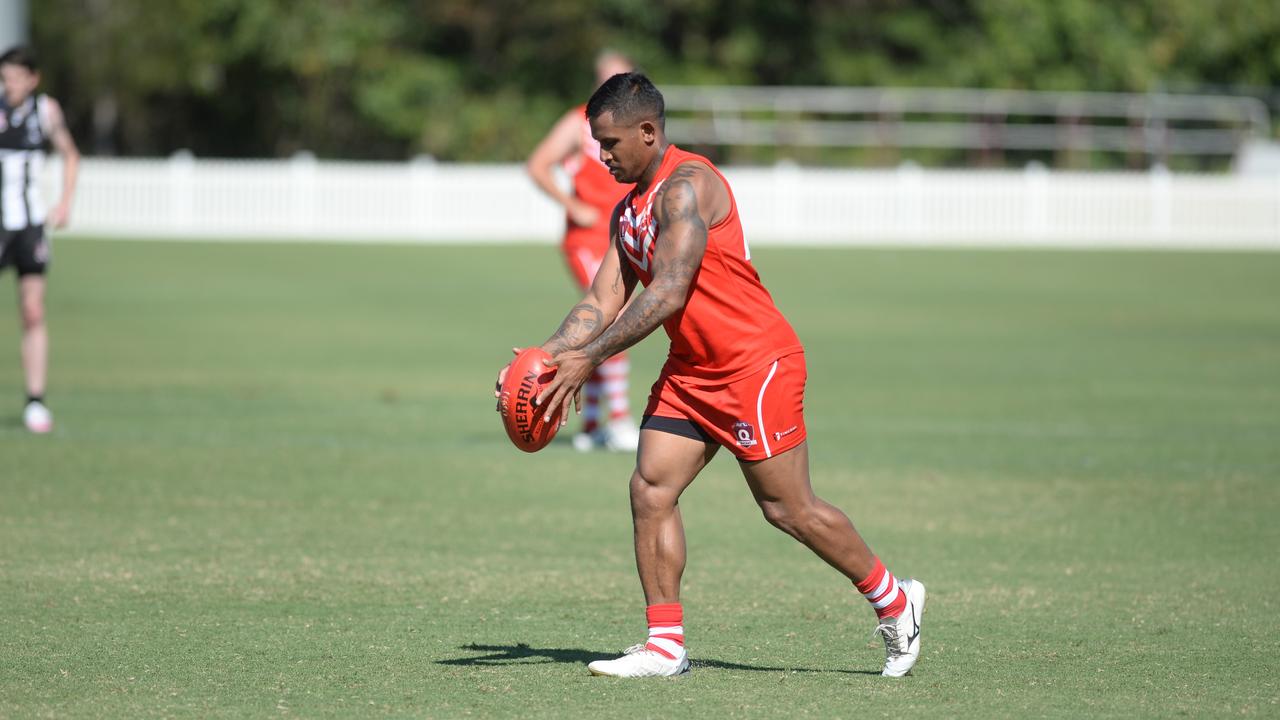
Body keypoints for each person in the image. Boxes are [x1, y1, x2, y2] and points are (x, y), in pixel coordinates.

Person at [495, 73, 926, 678]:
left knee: (788, 509)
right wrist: (540, 362)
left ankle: (895, 600)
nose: (602, 156)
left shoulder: (687, 188)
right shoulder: (627, 211)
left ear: (648, 132)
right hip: (692, 372)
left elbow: (668, 291)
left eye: (612, 142)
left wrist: (588, 359)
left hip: (756, 366)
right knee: (650, 489)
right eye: (597, 143)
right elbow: (601, 301)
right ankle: (665, 645)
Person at [525, 50, 640, 453]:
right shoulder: (580, 122)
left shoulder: (632, 126)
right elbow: (538, 164)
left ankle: (591, 427)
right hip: (589, 238)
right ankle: (620, 420)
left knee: (602, 326)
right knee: (614, 317)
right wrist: (572, 205)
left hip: (621, 235)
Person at [0, 46, 79, 434]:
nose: (9, 84)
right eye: (4, 77)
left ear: (33, 79)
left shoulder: (46, 112)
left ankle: (35, 400)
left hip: (30, 225)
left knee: (33, 311)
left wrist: (64, 203)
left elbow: (71, 155)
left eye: (15, 77)